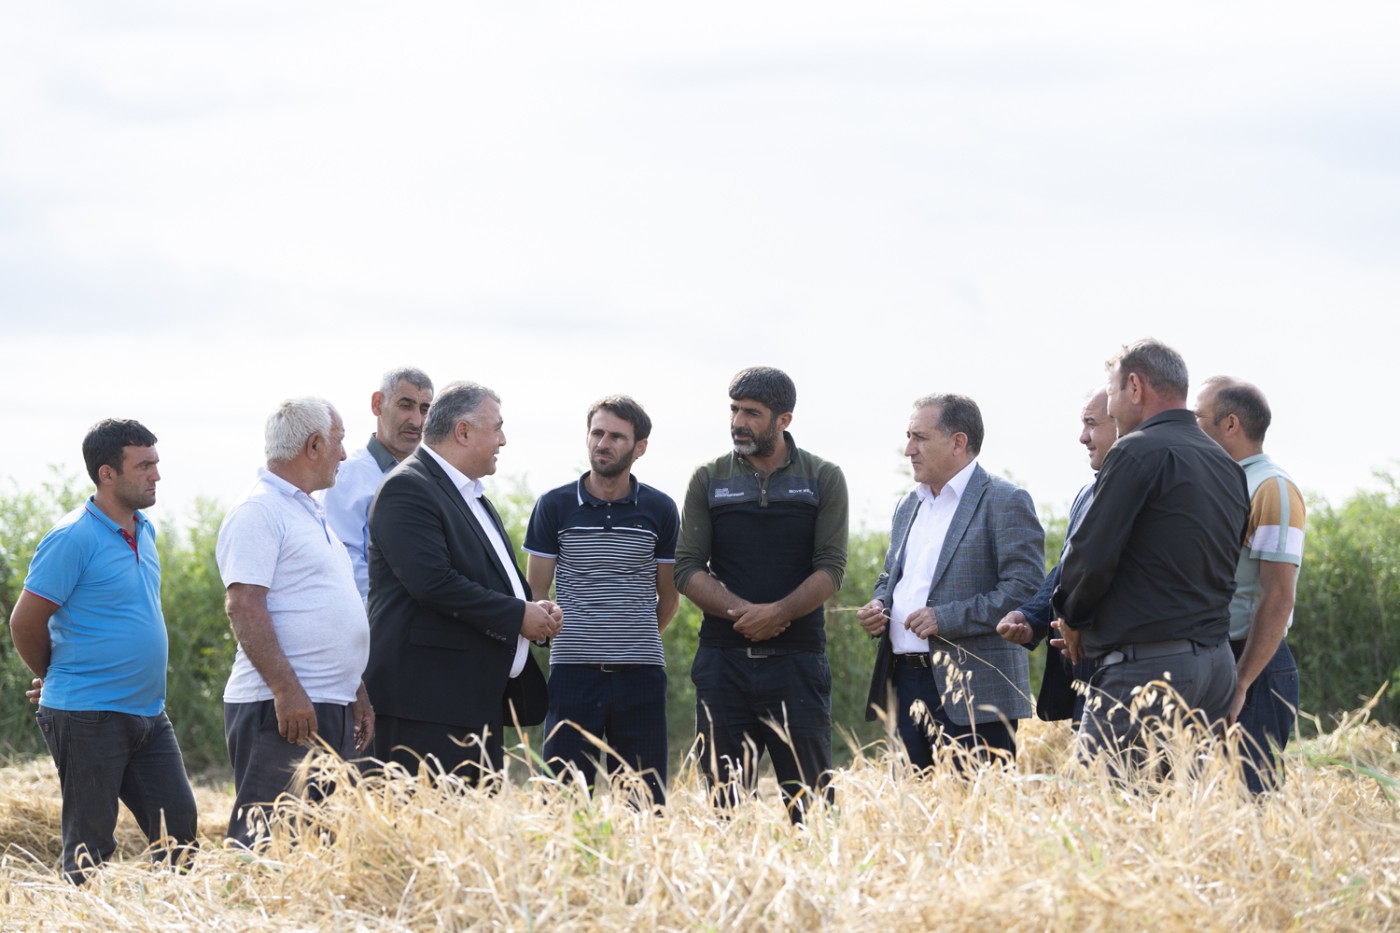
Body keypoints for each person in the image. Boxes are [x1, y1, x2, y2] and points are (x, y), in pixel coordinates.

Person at [9, 419, 197, 883]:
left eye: (156, 464)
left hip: (149, 714)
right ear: (107, 474)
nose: (156, 475)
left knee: (179, 830)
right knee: (90, 848)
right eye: (144, 466)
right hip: (88, 715)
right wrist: (56, 678)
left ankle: (170, 916)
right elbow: (24, 622)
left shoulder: (145, 530)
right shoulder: (73, 537)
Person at [1052, 339, 1248, 770]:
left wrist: (1072, 618)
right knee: (1176, 817)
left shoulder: (1135, 450)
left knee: (1107, 814)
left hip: (1149, 670)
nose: (1113, 403)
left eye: (1114, 390)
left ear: (1135, 387)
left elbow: (1090, 558)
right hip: (1214, 668)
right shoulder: (1226, 466)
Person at [673, 366, 848, 822]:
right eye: (734, 410)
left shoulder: (823, 478)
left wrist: (778, 614)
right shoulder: (708, 478)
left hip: (798, 664)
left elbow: (831, 569)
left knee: (812, 812)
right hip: (722, 665)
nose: (738, 422)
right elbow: (688, 567)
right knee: (724, 811)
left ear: (783, 420)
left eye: (751, 413)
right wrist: (744, 613)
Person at [365, 381, 558, 783]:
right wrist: (517, 615)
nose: (503, 440)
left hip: (471, 702)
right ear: (464, 432)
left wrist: (533, 608)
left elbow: (487, 576)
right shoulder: (408, 488)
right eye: (498, 428)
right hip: (425, 705)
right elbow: (433, 583)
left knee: (468, 835)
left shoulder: (472, 495)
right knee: (421, 833)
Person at [216, 398, 375, 848]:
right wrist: (287, 692)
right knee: (266, 844)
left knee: (320, 847)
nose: (344, 455)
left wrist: (355, 692)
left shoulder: (308, 510)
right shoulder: (258, 510)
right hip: (283, 708)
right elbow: (244, 605)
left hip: (326, 703)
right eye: (339, 443)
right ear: (314, 445)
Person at [857, 395, 1044, 768]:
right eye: (909, 437)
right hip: (905, 685)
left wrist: (946, 618)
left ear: (958, 442)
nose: (908, 449)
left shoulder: (1005, 500)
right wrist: (881, 604)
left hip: (978, 693)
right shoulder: (907, 505)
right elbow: (892, 577)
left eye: (920, 438)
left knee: (975, 820)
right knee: (913, 818)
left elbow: (1025, 589)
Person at [524, 396, 680, 807]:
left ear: (639, 447)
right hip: (572, 674)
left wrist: (631, 639)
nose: (603, 443)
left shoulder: (660, 509)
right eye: (597, 433)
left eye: (616, 436)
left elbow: (669, 598)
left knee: (644, 804)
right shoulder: (554, 505)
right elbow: (535, 594)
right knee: (562, 802)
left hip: (642, 675)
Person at [1195, 376, 1305, 793]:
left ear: (1230, 425)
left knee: (1250, 804)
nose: (1191, 424)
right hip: (1214, 663)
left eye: (1199, 417)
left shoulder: (1272, 489)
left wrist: (1240, 683)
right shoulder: (1216, 482)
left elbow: (1278, 596)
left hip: (1255, 668)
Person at [996, 388, 1115, 722]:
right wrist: (1030, 617)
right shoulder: (1087, 493)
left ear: (1122, 421)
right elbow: (1068, 569)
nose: (1082, 437)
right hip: (1085, 677)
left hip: (1130, 676)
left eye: (1091, 424)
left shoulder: (1146, 490)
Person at [320, 367, 434, 604]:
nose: (417, 421)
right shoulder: (347, 475)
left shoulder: (434, 478)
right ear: (377, 404)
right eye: (406, 405)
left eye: (425, 409)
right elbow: (344, 560)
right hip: (375, 626)